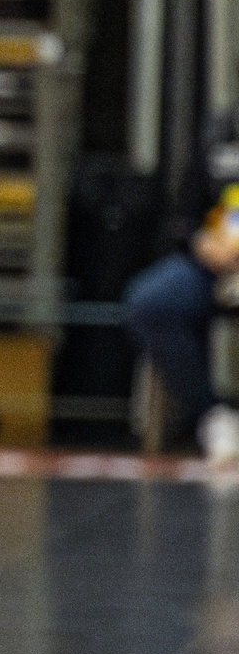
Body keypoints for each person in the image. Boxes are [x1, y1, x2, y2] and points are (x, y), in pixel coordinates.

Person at [124, 119, 239, 464]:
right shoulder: (220, 135)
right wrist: (202, 244)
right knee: (151, 302)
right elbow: (182, 219)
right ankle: (215, 415)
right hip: (217, 269)